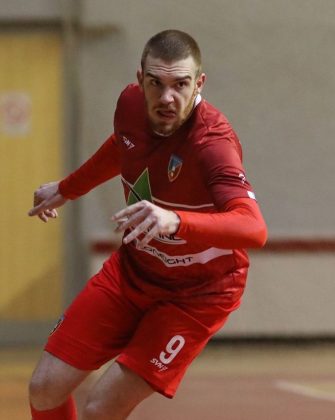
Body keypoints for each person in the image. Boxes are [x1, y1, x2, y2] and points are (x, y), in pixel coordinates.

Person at [26, 29, 267, 420]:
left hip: (197, 295)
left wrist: (176, 219)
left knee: (101, 408)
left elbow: (253, 227)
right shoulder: (130, 105)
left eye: (180, 84)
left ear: (199, 84)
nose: (167, 97)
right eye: (156, 83)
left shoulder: (212, 144)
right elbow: (122, 145)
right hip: (134, 272)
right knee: (44, 389)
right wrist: (67, 189)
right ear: (140, 79)